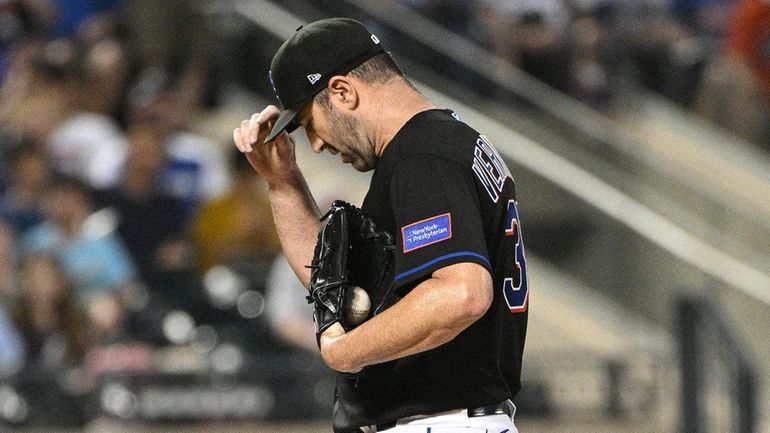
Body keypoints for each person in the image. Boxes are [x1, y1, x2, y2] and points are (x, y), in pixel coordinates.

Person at [233, 18, 529, 433]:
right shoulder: (437, 143)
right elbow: (333, 286)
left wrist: (345, 352)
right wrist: (282, 183)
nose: (314, 143)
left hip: (441, 424)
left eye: (308, 120)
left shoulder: (423, 155)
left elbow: (460, 294)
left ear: (342, 91)